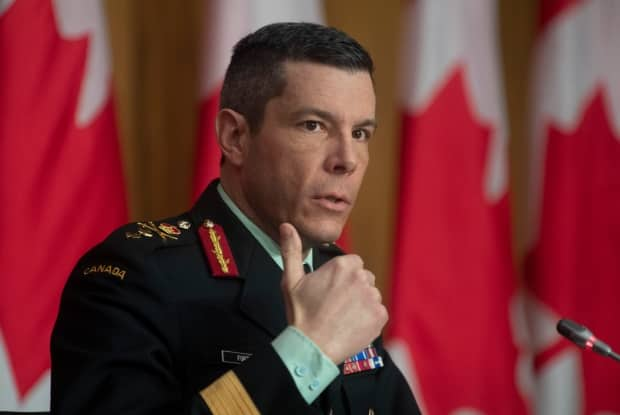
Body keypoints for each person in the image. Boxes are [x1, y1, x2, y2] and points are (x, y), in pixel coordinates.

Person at [51, 22, 421, 415]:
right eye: (313, 125)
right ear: (235, 137)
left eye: (361, 133)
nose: (347, 159)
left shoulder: (337, 279)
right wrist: (306, 351)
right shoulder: (134, 277)